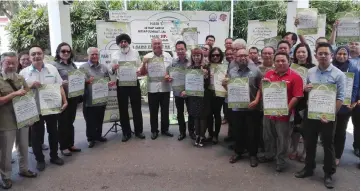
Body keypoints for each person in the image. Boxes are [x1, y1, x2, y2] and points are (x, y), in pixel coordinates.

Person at [295, 43, 346, 189]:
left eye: (326, 53)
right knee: (309, 142)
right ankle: (308, 168)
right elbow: (306, 91)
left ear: (331, 56)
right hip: (311, 114)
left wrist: (330, 115)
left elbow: (340, 98)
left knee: (328, 145)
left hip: (327, 117)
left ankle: (328, 173)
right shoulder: (310, 72)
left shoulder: (339, 75)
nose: (323, 56)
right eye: (320, 53)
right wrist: (305, 89)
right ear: (316, 55)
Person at [20, 46, 68, 171]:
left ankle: (54, 156)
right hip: (35, 109)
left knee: (53, 133)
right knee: (36, 136)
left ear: (43, 55)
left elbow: (60, 86)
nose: (36, 56)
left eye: (39, 53)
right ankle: (40, 160)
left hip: (51, 107)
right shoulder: (23, 73)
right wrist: (30, 86)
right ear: (30, 57)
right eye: (33, 54)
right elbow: (19, 92)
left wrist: (65, 100)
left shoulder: (52, 69)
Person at [259, 52, 303, 172]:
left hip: (284, 115)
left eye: (283, 60)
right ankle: (269, 155)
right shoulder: (268, 74)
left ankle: (281, 161)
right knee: (268, 136)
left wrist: (286, 110)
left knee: (283, 139)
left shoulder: (296, 77)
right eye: (277, 61)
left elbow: (297, 96)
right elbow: (262, 89)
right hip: (268, 113)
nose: (280, 63)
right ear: (274, 62)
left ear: (289, 61)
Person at [0, 52, 37, 189]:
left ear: (17, 64)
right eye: (7, 63)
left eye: (13, 63)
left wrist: (31, 116)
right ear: (1, 63)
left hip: (23, 119)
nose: (11, 66)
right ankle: (6, 177)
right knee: (5, 152)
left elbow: (28, 97)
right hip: (6, 121)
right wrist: (14, 94)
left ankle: (24, 169)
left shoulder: (21, 78)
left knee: (23, 146)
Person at [223, 49, 262, 167]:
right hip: (236, 107)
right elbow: (230, 89)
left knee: (252, 132)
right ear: (235, 57)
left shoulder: (256, 70)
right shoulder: (232, 71)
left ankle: (253, 155)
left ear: (248, 56)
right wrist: (224, 86)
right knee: (237, 130)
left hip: (251, 107)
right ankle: (238, 152)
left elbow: (261, 87)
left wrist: (256, 100)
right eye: (240, 56)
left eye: (245, 55)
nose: (243, 57)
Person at [111, 33, 145, 142]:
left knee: (136, 108)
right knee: (123, 109)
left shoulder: (135, 52)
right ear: (119, 44)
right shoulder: (115, 55)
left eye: (125, 41)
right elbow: (112, 70)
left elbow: (140, 65)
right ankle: (126, 133)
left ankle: (139, 131)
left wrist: (139, 70)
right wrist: (113, 68)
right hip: (121, 84)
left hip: (134, 83)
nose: (123, 43)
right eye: (121, 42)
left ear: (128, 42)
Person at [139, 37, 174, 140]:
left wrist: (169, 75)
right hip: (152, 88)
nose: (157, 45)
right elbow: (142, 73)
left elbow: (172, 69)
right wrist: (144, 63)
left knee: (165, 110)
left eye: (159, 43)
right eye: (155, 44)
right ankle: (154, 131)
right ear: (152, 46)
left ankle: (165, 129)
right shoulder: (147, 56)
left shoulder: (168, 56)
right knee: (153, 111)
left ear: (162, 45)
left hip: (165, 87)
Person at [331, 46, 360, 166]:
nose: (341, 56)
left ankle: (337, 155)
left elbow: (356, 87)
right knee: (329, 131)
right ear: (335, 54)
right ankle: (329, 153)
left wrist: (352, 102)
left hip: (344, 107)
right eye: (339, 53)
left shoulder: (353, 69)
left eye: (344, 54)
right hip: (329, 105)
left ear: (348, 55)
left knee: (340, 131)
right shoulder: (330, 67)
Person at [53, 42, 82, 156]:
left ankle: (71, 144)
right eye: (63, 51)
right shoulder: (54, 65)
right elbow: (50, 81)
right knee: (63, 122)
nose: (65, 53)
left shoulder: (73, 65)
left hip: (73, 97)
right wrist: (60, 83)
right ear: (58, 52)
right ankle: (63, 146)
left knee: (70, 121)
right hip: (62, 98)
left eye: (68, 51)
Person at [80, 47, 112, 148]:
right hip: (89, 99)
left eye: (96, 54)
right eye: (92, 54)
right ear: (88, 56)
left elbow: (107, 79)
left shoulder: (103, 67)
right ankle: (90, 139)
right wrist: (86, 81)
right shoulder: (83, 68)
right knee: (90, 120)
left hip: (101, 98)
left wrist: (109, 83)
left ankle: (98, 136)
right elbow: (78, 83)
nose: (94, 56)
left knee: (99, 118)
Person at [289, 43, 315, 163]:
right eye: (298, 52)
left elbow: (317, 86)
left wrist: (309, 87)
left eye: (303, 52)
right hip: (294, 101)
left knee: (306, 130)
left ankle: (305, 152)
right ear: (295, 54)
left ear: (308, 54)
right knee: (295, 128)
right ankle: (294, 149)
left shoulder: (314, 68)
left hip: (307, 102)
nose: (301, 54)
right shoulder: (290, 67)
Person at [181, 48, 211, 147]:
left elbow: (209, 84)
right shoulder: (190, 68)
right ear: (192, 57)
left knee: (202, 116)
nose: (196, 57)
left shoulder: (206, 67)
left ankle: (202, 136)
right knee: (195, 116)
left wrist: (206, 75)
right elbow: (187, 82)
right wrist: (186, 90)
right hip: (193, 96)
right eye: (194, 56)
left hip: (203, 95)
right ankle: (197, 135)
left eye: (198, 55)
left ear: (201, 56)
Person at [166, 41, 195, 141]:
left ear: (186, 49)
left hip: (190, 92)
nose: (180, 51)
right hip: (178, 92)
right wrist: (168, 78)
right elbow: (168, 74)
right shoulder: (173, 62)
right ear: (176, 50)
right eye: (178, 49)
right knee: (180, 112)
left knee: (191, 112)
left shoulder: (191, 61)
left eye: (182, 49)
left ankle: (192, 131)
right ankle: (182, 132)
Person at [207, 47, 225, 144]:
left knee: (217, 114)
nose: (215, 57)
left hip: (220, 93)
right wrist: (206, 76)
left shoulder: (224, 67)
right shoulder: (207, 66)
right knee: (209, 114)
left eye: (217, 55)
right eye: (213, 55)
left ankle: (216, 135)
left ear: (220, 56)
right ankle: (210, 133)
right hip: (209, 92)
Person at [223, 48, 234, 142]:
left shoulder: (237, 64)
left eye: (231, 53)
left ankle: (235, 138)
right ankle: (231, 135)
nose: (229, 56)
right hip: (226, 95)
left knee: (235, 118)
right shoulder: (224, 65)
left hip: (236, 96)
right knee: (229, 116)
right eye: (227, 54)